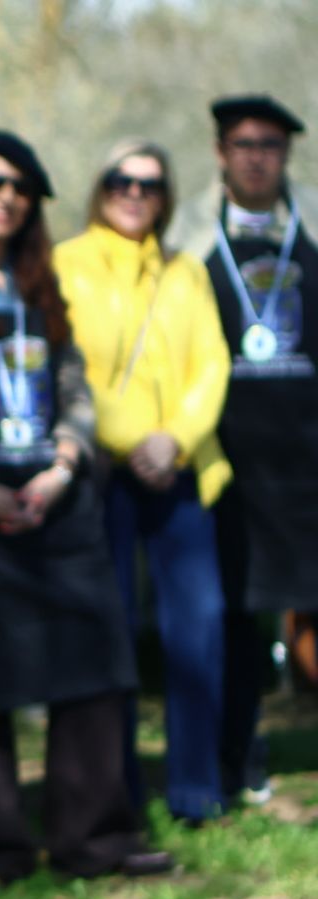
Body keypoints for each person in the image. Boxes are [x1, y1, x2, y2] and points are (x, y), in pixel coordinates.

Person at [0, 128, 171, 885]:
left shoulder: (43, 286)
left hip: (54, 501)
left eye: (19, 188)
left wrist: (63, 467)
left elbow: (75, 389)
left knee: (91, 660)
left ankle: (93, 838)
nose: (5, 197)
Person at [54, 140, 232, 825]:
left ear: (166, 197)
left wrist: (175, 438)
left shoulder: (186, 272)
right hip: (103, 474)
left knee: (198, 626)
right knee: (112, 629)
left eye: (150, 185)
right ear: (100, 188)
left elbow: (212, 363)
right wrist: (132, 440)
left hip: (181, 469)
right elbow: (69, 369)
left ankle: (196, 787)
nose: (134, 193)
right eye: (121, 180)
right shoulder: (66, 265)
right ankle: (115, 788)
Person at [170, 94, 318, 806]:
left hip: (310, 459)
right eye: (243, 144)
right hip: (228, 463)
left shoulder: (310, 224)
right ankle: (238, 757)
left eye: (270, 144)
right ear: (220, 152)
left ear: (287, 154)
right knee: (234, 618)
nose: (257, 157)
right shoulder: (189, 233)